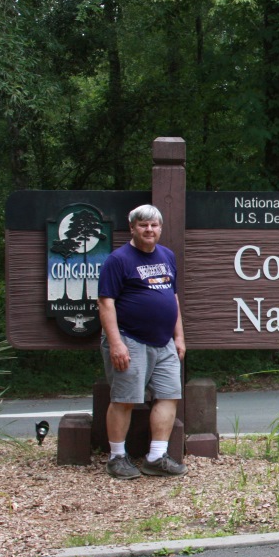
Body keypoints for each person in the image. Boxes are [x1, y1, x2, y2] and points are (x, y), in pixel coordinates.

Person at [98, 204, 187, 479]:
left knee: (169, 396)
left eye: (154, 225)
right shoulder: (119, 259)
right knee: (125, 399)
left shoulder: (167, 256)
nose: (149, 229)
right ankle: (116, 457)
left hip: (164, 343)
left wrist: (179, 336)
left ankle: (156, 457)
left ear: (160, 228)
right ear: (133, 228)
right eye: (143, 225)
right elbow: (105, 302)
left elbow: (172, 298)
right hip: (130, 339)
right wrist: (116, 343)